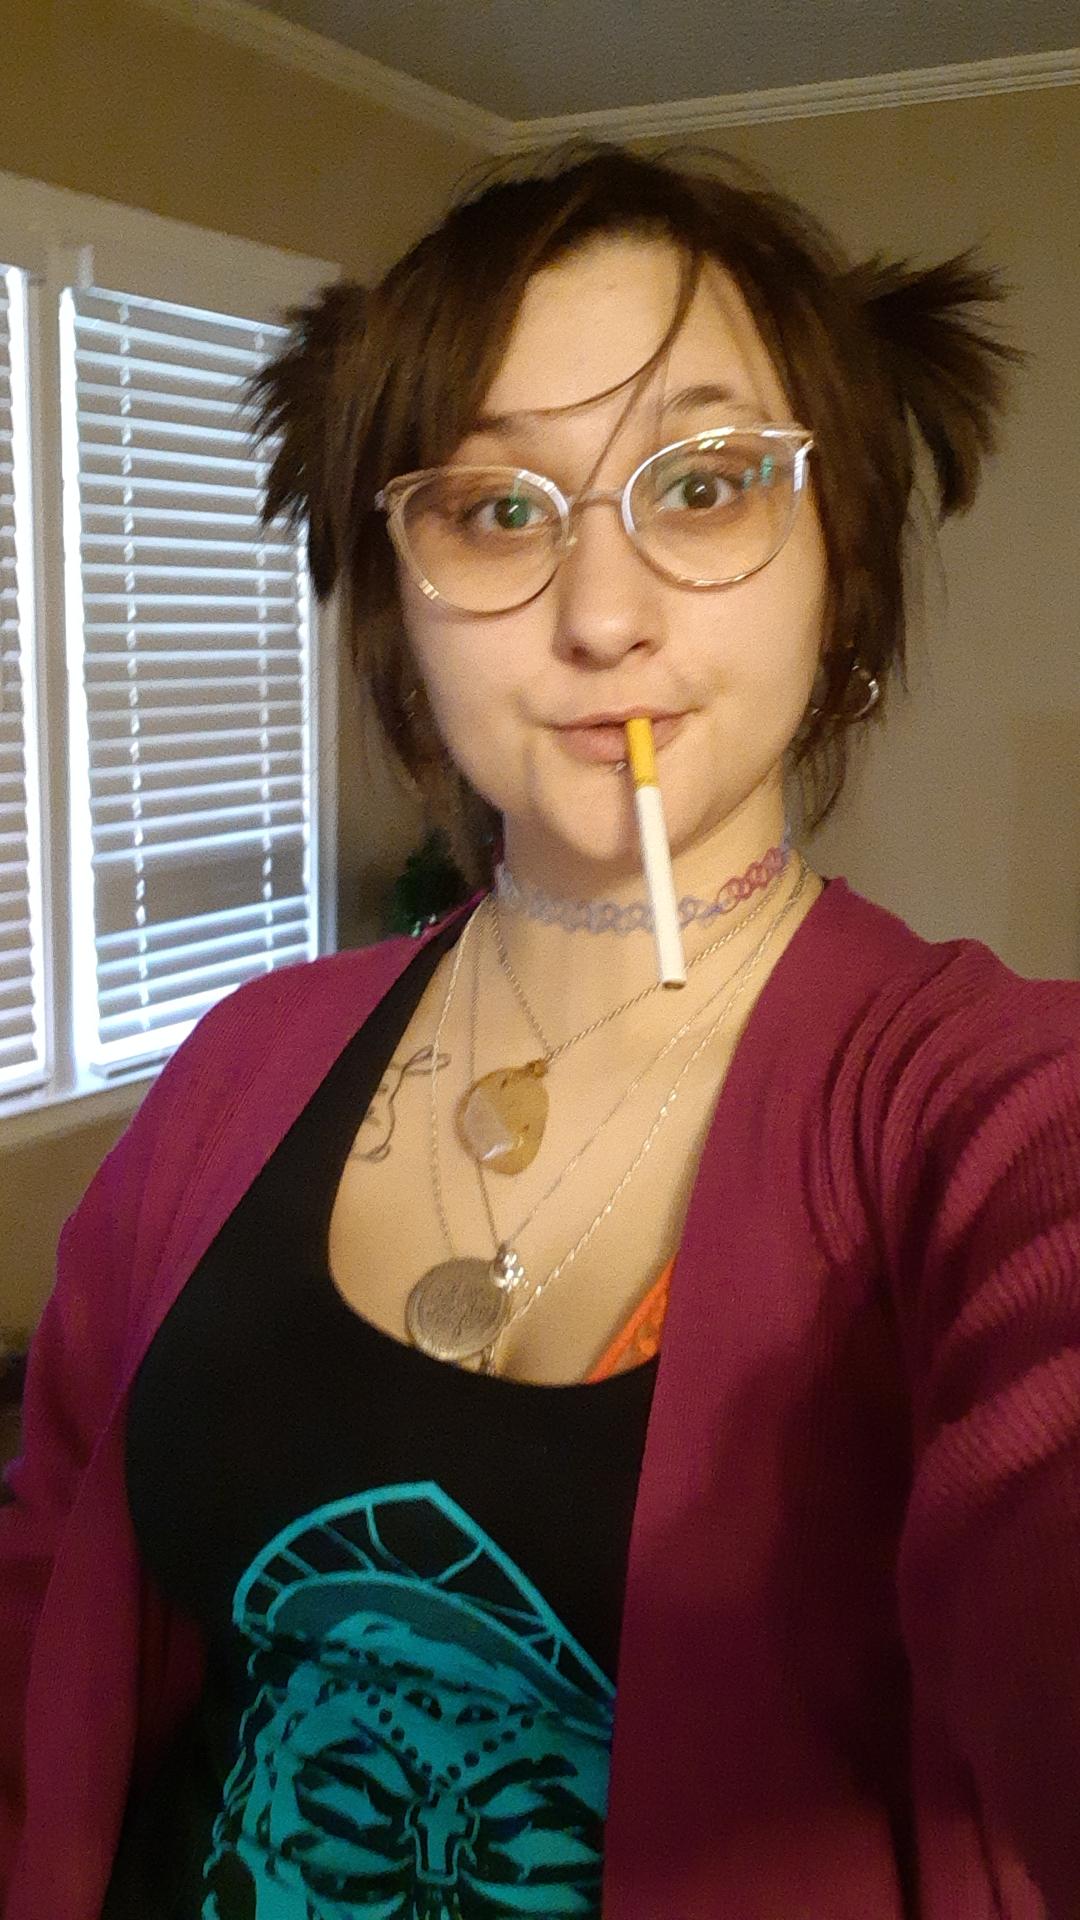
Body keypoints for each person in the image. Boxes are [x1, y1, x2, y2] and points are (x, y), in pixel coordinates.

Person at [1, 142, 1078, 1920]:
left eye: (706, 487)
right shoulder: (242, 1063)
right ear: (398, 598)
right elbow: (53, 1561)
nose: (600, 615)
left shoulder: (968, 1102)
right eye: (499, 512)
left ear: (842, 558)